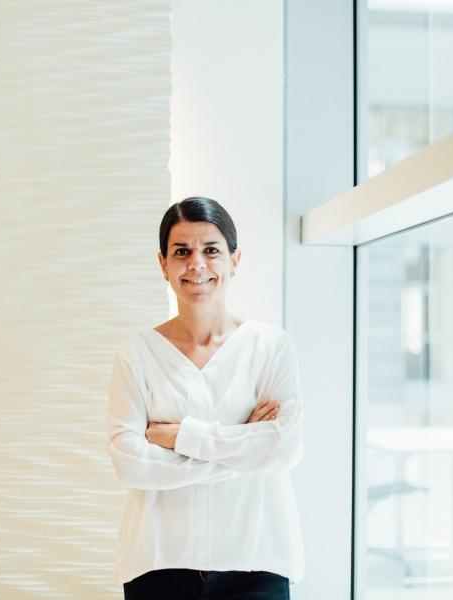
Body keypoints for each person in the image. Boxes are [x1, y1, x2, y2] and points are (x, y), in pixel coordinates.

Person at [105, 197, 305, 599]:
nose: (196, 263)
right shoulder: (137, 354)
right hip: (159, 566)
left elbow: (284, 449)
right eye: (182, 251)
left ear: (235, 259)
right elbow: (129, 464)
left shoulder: (270, 347)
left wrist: (182, 437)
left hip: (257, 563)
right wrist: (242, 449)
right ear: (163, 264)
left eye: (211, 250)